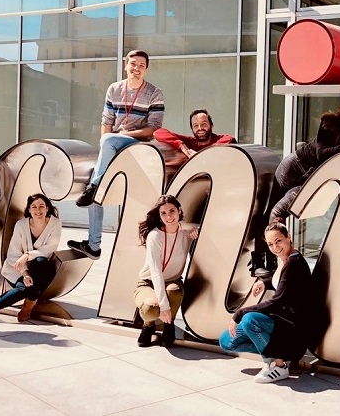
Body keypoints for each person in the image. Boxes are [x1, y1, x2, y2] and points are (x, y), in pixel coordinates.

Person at [70, 49, 165, 260]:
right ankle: (93, 245)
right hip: (113, 144)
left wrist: (120, 135)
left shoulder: (154, 93)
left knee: (95, 184)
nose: (137, 68)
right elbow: (106, 123)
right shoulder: (114, 89)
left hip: (139, 145)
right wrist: (106, 142)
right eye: (133, 64)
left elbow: (153, 130)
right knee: (97, 181)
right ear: (125, 65)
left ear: (146, 69)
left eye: (141, 65)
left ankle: (93, 187)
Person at [219, 222, 312, 384]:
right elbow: (286, 283)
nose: (275, 247)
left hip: (294, 330)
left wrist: (239, 313)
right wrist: (266, 282)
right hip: (282, 326)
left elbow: (277, 302)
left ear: (288, 237)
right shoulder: (284, 259)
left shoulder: (294, 263)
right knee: (226, 341)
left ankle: (278, 364)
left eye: (278, 241)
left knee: (250, 320)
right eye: (270, 244)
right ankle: (284, 355)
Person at [0, 194, 61, 326]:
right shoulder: (21, 225)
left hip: (41, 268)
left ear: (48, 208)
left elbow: (50, 248)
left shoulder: (55, 223)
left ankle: (19, 306)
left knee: (40, 262)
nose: (38, 211)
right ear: (29, 210)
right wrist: (25, 273)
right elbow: (13, 255)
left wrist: (27, 255)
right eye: (34, 207)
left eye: (41, 206)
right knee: (24, 287)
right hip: (17, 269)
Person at [134, 195, 199, 348]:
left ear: (179, 211)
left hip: (173, 281)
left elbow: (204, 226)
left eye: (172, 211)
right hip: (148, 283)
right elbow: (156, 272)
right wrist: (163, 306)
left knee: (175, 290)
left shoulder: (185, 233)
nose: (169, 216)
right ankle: (148, 325)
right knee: (151, 308)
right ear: (159, 215)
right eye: (163, 213)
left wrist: (187, 227)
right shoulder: (154, 236)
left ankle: (169, 326)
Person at [153, 109, 236, 164]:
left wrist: (200, 157)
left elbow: (230, 138)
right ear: (192, 129)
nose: (200, 128)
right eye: (195, 126)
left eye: (204, 124)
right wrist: (181, 145)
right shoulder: (190, 142)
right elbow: (158, 132)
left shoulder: (221, 139)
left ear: (211, 125)